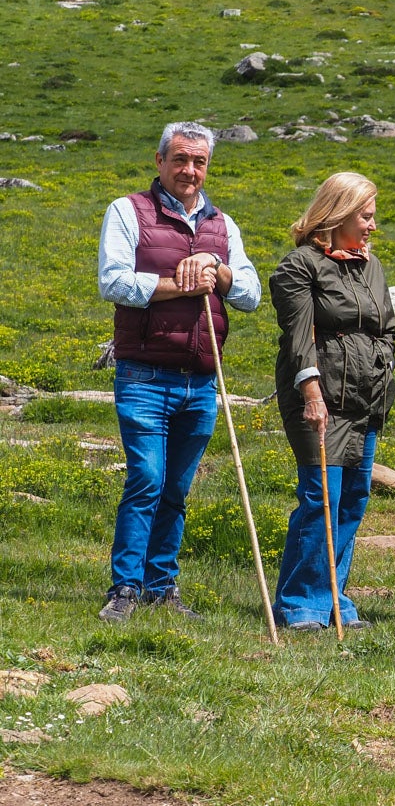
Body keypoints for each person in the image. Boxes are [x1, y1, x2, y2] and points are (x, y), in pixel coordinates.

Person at [96, 122, 262, 622]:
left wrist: (219, 270)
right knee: (146, 478)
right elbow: (113, 282)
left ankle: (161, 586)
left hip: (201, 380)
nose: (190, 170)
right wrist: (178, 284)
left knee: (177, 488)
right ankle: (124, 588)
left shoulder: (222, 225)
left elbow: (251, 293)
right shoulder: (128, 211)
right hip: (144, 374)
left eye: (200, 162)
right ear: (159, 160)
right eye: (181, 159)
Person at [269, 172, 395, 632]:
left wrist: (384, 371)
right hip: (321, 400)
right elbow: (299, 337)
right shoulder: (299, 266)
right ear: (338, 212)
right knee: (322, 498)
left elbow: (386, 328)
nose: (372, 225)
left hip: (365, 402)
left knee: (353, 501)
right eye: (365, 215)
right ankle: (301, 602)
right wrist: (311, 393)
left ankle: (333, 597)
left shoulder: (370, 265)